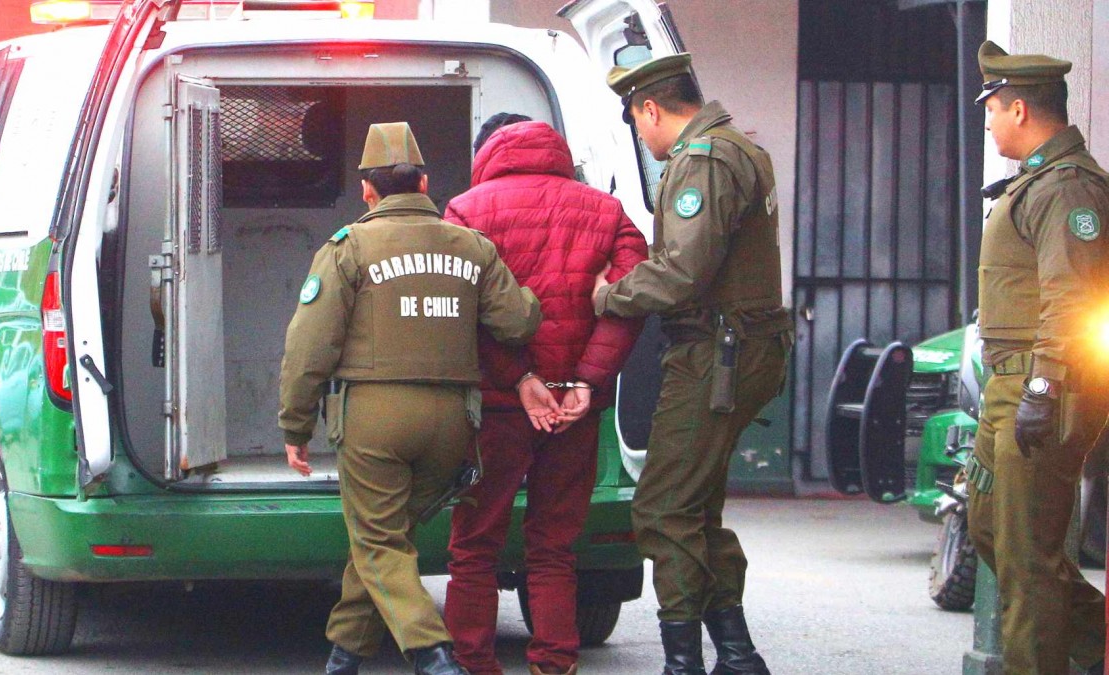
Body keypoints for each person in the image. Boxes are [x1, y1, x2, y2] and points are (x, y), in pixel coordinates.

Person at [278, 122, 542, 675]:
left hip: (375, 418)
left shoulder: (349, 248)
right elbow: (517, 323)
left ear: (367, 191)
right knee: (386, 539)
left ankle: (433, 655)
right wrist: (533, 297)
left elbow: (309, 346)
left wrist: (295, 426)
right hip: (454, 420)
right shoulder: (472, 246)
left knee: (377, 541)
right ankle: (344, 655)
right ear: (423, 182)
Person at [591, 54, 792, 675]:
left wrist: (608, 296)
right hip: (742, 350)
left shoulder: (702, 159)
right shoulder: (740, 148)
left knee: (663, 509)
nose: (641, 135)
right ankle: (737, 654)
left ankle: (685, 663)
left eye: (636, 120)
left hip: (714, 356)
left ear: (651, 109)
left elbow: (682, 272)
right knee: (697, 508)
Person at [441, 114, 648, 675]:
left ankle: (472, 663)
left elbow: (461, 309)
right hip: (575, 409)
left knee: (474, 545)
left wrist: (518, 377)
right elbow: (628, 305)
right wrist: (585, 382)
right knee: (554, 546)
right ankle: (554, 662)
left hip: (498, 407)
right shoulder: (609, 213)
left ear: (486, 154)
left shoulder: (465, 211)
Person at [965, 40, 1109, 675]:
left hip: (1043, 384)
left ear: (1018, 108)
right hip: (1009, 385)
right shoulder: (1035, 182)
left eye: (991, 109)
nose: (989, 122)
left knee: (1028, 561)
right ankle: (1099, 642)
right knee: (991, 530)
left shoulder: (1068, 188)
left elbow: (1072, 297)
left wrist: (1044, 388)